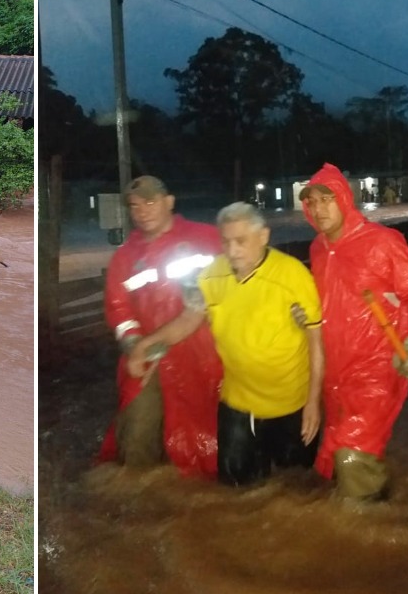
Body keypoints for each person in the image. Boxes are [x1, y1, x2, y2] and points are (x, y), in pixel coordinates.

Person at [129, 202, 325, 487]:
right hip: (239, 405)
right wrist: (145, 344)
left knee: (297, 489)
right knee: (235, 492)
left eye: (241, 241)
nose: (232, 251)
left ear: (264, 236)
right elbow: (188, 319)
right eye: (226, 241)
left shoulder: (293, 276)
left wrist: (313, 403)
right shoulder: (212, 274)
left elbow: (316, 341)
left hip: (291, 405)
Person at [300, 163, 408, 501]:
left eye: (326, 200)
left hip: (377, 368)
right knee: (340, 455)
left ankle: (368, 532)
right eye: (312, 202)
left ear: (345, 199)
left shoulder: (381, 242)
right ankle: (380, 498)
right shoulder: (318, 249)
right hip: (334, 373)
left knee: (352, 453)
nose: (319, 209)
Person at [98, 175, 223, 479]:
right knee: (138, 434)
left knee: (210, 432)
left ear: (169, 202)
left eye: (150, 201)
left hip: (206, 352)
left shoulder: (206, 238)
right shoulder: (125, 256)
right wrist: (132, 344)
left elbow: (230, 288)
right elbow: (119, 310)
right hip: (149, 357)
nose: (142, 210)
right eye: (135, 205)